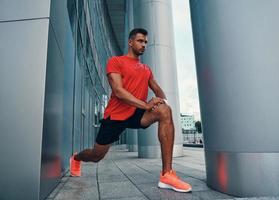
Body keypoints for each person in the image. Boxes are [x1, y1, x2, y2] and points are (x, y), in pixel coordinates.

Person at [70, 28, 192, 193]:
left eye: (145, 42)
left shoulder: (146, 69)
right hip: (115, 116)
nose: (143, 45)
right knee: (96, 155)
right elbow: (119, 92)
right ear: (130, 42)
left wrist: (162, 102)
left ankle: (167, 175)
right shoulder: (116, 61)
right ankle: (76, 158)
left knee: (165, 111)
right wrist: (147, 105)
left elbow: (156, 88)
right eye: (140, 41)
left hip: (136, 113)